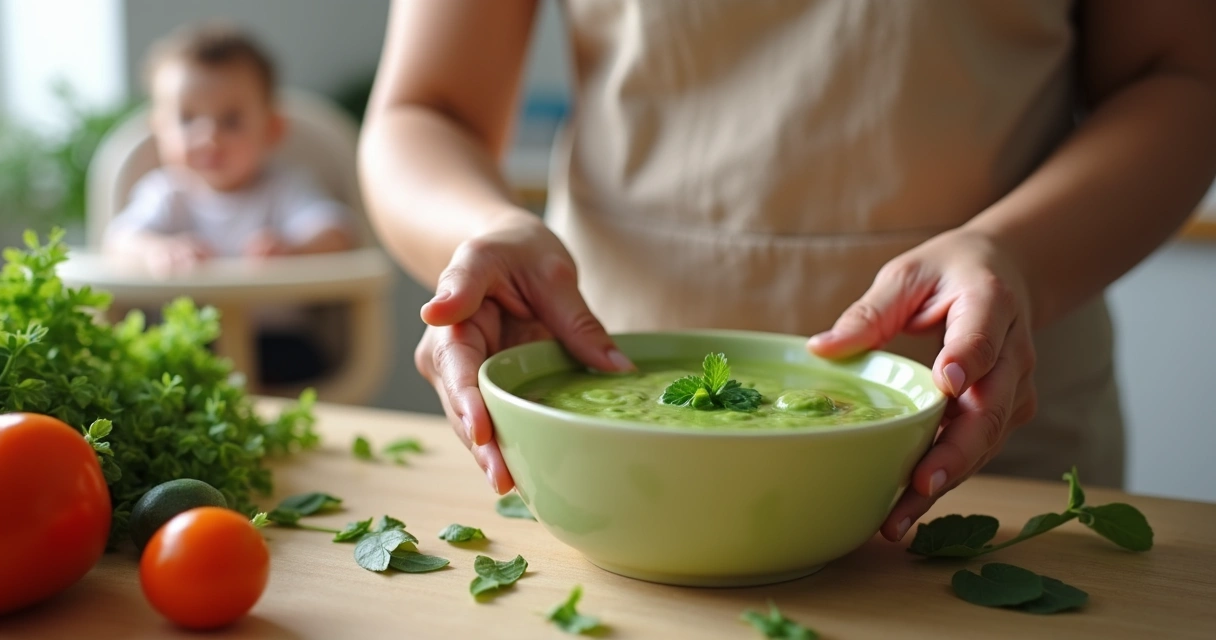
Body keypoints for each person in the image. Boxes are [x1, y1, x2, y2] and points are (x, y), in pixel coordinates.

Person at [358, 0, 1216, 543]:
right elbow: (422, 109)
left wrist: (1016, 257)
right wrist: (482, 235)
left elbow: (1181, 75)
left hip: (982, 425)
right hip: (606, 459)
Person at [104, 22, 358, 384]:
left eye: (231, 120)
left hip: (275, 341)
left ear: (271, 129)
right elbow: (119, 239)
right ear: (159, 128)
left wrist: (296, 247)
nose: (208, 136)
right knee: (152, 370)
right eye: (187, 118)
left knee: (307, 366)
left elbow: (337, 230)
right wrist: (157, 249)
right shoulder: (165, 193)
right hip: (186, 338)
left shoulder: (284, 189)